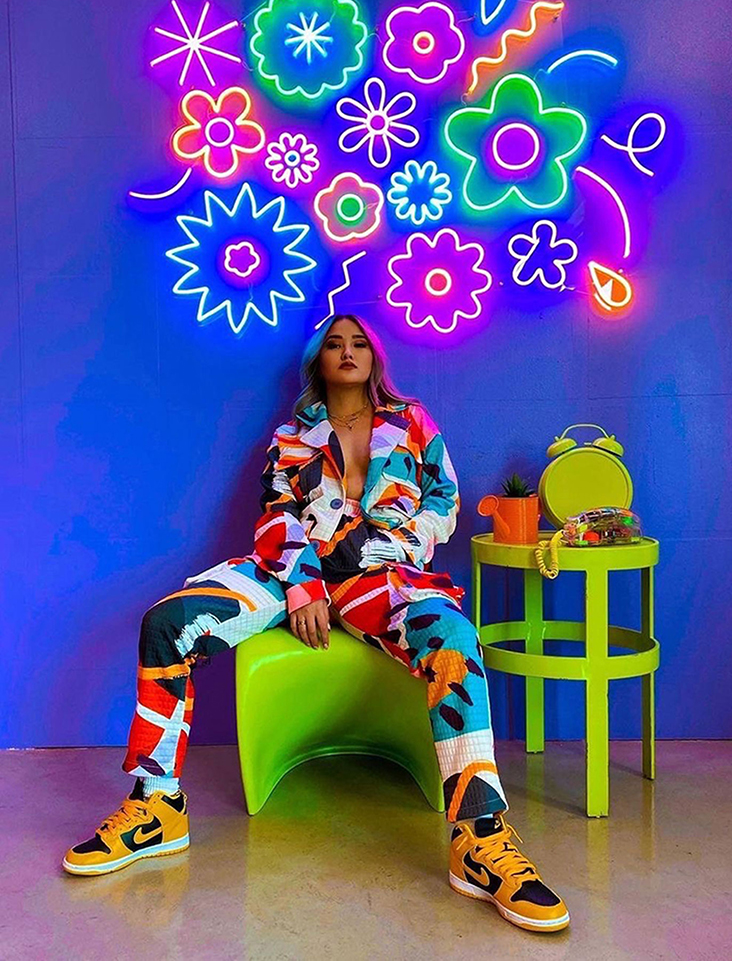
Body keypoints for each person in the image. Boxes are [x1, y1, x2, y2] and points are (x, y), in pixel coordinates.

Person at [63, 314, 569, 933]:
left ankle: (478, 838)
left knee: (455, 640)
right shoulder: (290, 437)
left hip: (381, 572)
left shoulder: (412, 422)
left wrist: (396, 544)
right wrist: (303, 586)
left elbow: (445, 499)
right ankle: (156, 808)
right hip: (288, 572)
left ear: (374, 357)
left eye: (359, 343)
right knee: (167, 623)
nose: (347, 352)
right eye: (334, 344)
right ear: (318, 360)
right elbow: (277, 515)